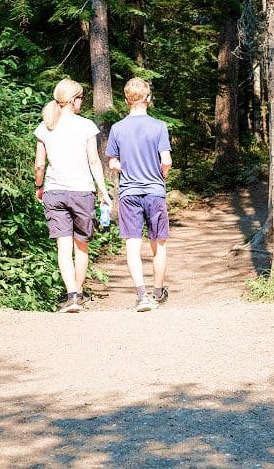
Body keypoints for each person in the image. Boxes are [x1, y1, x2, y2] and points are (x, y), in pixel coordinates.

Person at [34, 79, 112, 313]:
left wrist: (39, 186)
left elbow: (40, 164)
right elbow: (94, 160)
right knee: (82, 247)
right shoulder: (86, 126)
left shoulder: (45, 126)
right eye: (80, 98)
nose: (82, 102)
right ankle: (78, 293)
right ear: (73, 100)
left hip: (54, 191)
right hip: (82, 191)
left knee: (63, 247)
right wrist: (103, 191)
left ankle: (72, 298)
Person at [106, 78, 172, 312]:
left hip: (129, 193)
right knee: (159, 244)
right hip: (155, 191)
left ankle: (142, 295)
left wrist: (125, 167)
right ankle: (157, 292)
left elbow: (113, 162)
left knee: (133, 245)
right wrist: (160, 175)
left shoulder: (117, 128)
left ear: (126, 100)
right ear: (148, 99)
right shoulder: (159, 126)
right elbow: (166, 161)